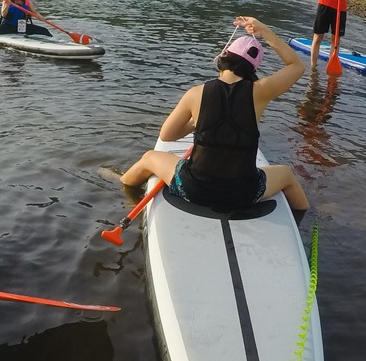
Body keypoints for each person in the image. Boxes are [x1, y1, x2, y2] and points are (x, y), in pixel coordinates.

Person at [119, 16, 310, 217]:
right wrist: (265, 31)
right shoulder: (262, 91)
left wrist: (196, 123)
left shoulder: (196, 93)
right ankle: (303, 219)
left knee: (149, 157)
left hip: (193, 189)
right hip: (243, 194)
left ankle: (123, 187)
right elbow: (296, 66)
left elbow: (167, 135)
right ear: (252, 69)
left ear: (223, 57)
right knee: (287, 175)